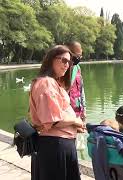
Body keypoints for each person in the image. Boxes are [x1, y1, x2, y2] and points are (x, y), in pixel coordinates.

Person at [29, 45, 85, 180]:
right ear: (51, 60)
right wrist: (76, 121)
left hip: (58, 144)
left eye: (70, 62)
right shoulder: (46, 83)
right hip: (54, 146)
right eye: (64, 61)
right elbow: (52, 120)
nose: (67, 65)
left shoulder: (52, 82)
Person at [66, 41, 86, 121]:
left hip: (77, 110)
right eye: (77, 55)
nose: (79, 58)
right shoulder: (60, 70)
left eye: (80, 55)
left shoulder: (77, 68)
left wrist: (84, 110)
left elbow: (81, 90)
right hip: (65, 113)